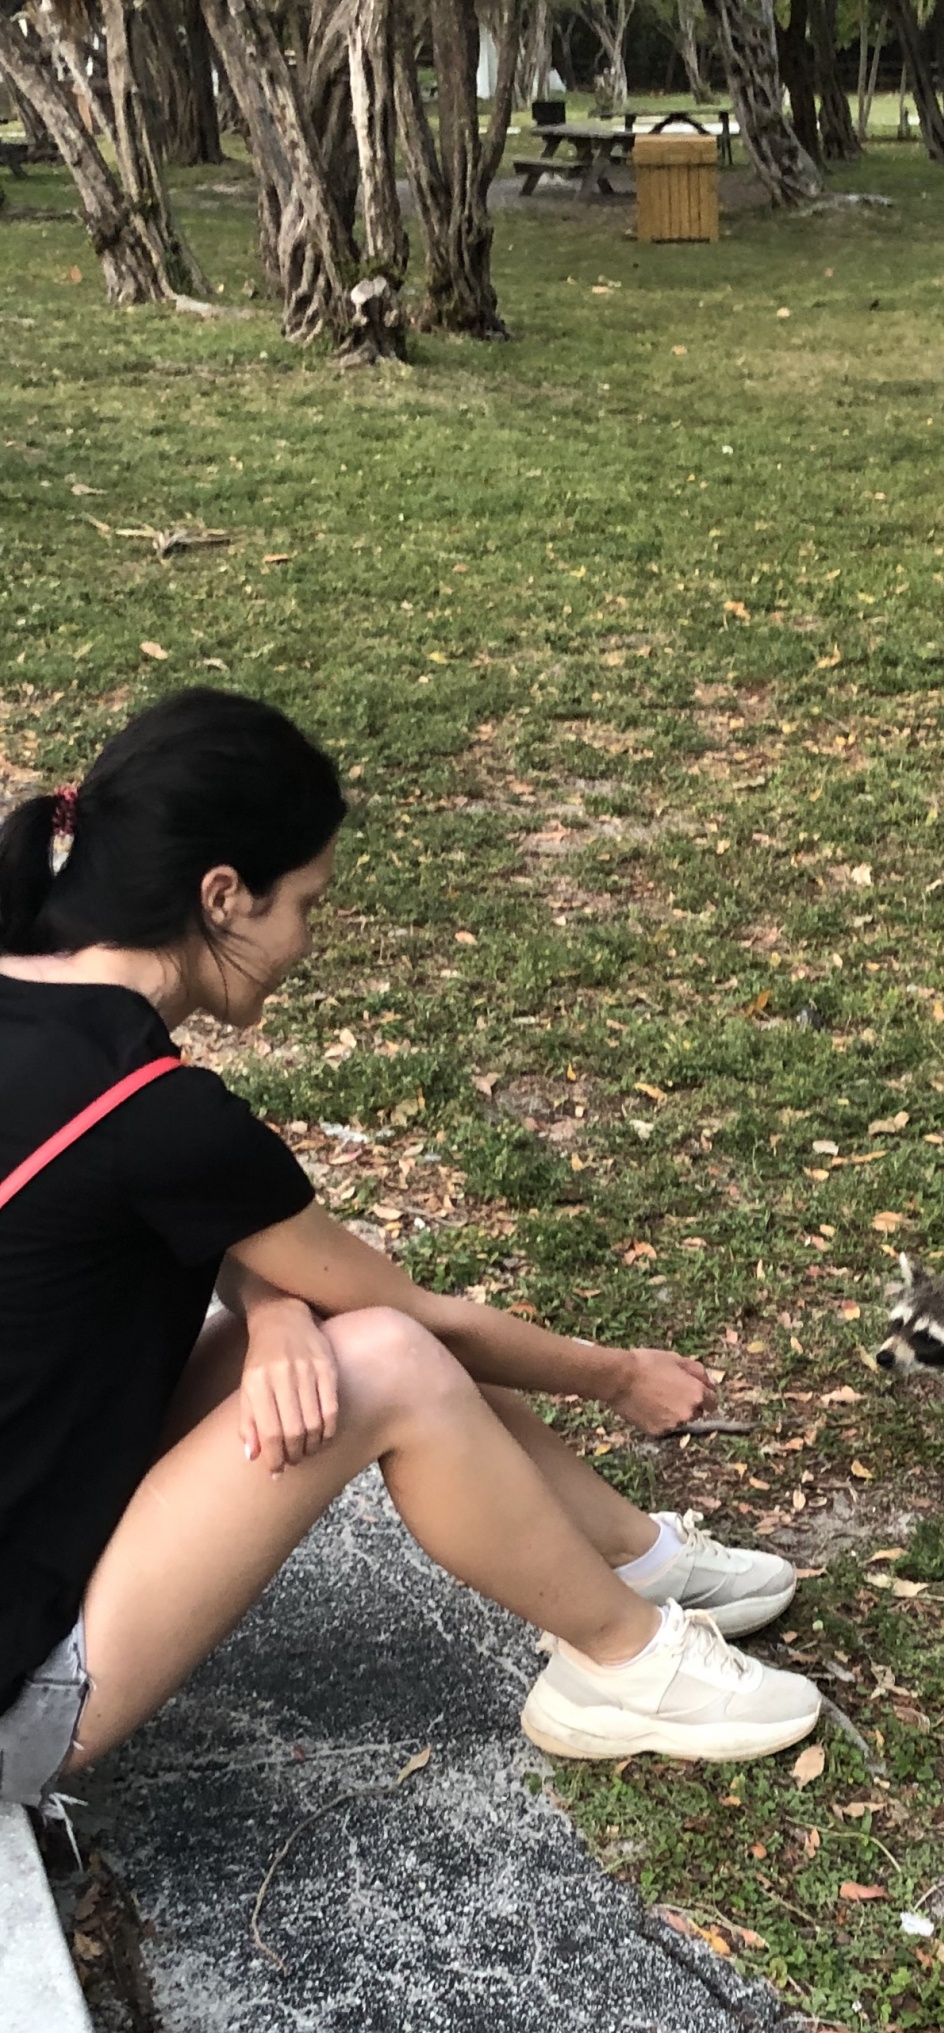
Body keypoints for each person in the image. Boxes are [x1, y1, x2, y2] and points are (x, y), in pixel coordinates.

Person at [0, 688, 820, 1810]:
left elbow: (135, 1213)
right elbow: (416, 1317)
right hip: (25, 1695)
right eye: (306, 904)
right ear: (222, 896)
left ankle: (633, 1553)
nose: (307, 941)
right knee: (386, 1360)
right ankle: (621, 1662)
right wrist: (619, 1376)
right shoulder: (153, 1112)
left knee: (331, 1322)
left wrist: (277, 1309)